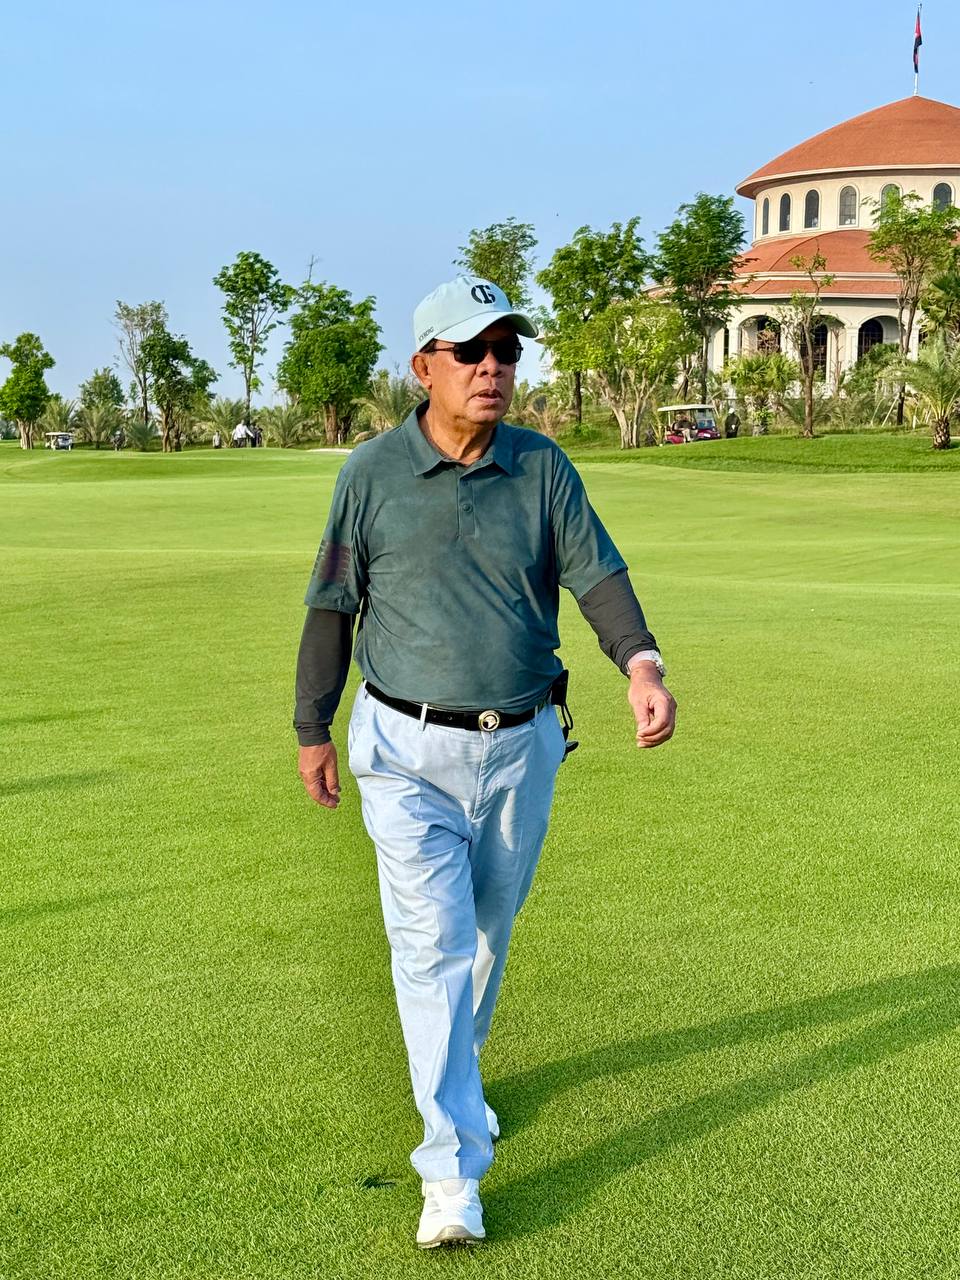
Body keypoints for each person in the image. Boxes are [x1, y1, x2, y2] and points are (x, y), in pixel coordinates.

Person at [294, 276, 677, 1249]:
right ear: (424, 367)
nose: (493, 367)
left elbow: (597, 573)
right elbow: (333, 605)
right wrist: (311, 725)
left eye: (506, 349)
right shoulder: (371, 474)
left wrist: (642, 663)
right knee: (432, 948)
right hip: (403, 749)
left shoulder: (541, 467)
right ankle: (452, 1169)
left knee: (484, 943)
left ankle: (456, 1084)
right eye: (472, 351)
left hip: (520, 745)